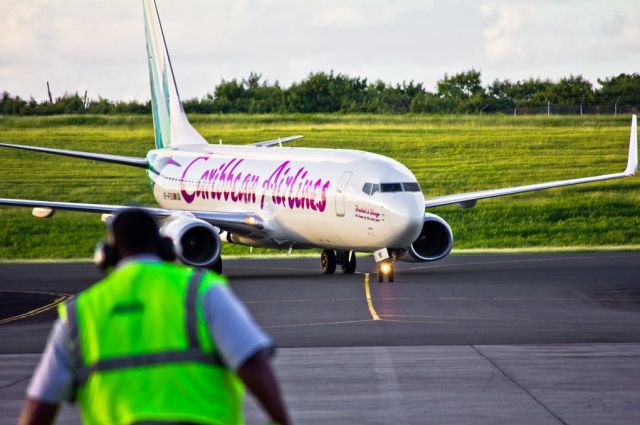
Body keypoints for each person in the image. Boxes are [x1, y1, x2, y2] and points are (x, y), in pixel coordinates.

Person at [19, 208, 290, 425]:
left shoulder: (81, 311)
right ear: (164, 247)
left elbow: (41, 400)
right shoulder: (201, 291)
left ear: (107, 254)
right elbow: (252, 363)